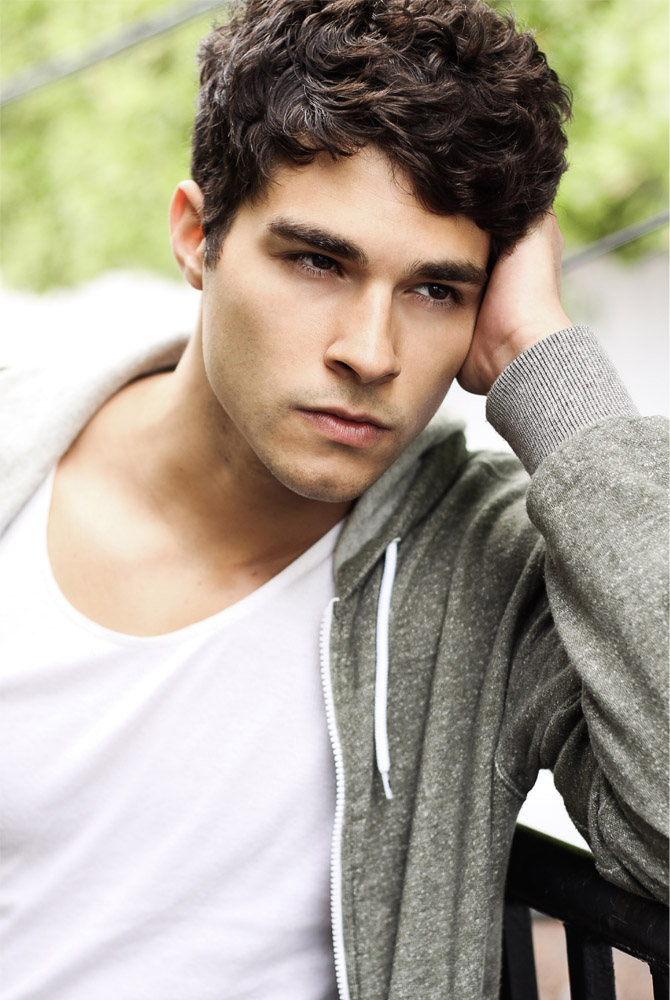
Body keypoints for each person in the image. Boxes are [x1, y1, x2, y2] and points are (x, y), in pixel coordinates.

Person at [1, 0, 667, 997]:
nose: (370, 351)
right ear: (196, 236)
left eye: (436, 290)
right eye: (318, 261)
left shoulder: (490, 570)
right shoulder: (18, 461)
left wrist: (543, 361)